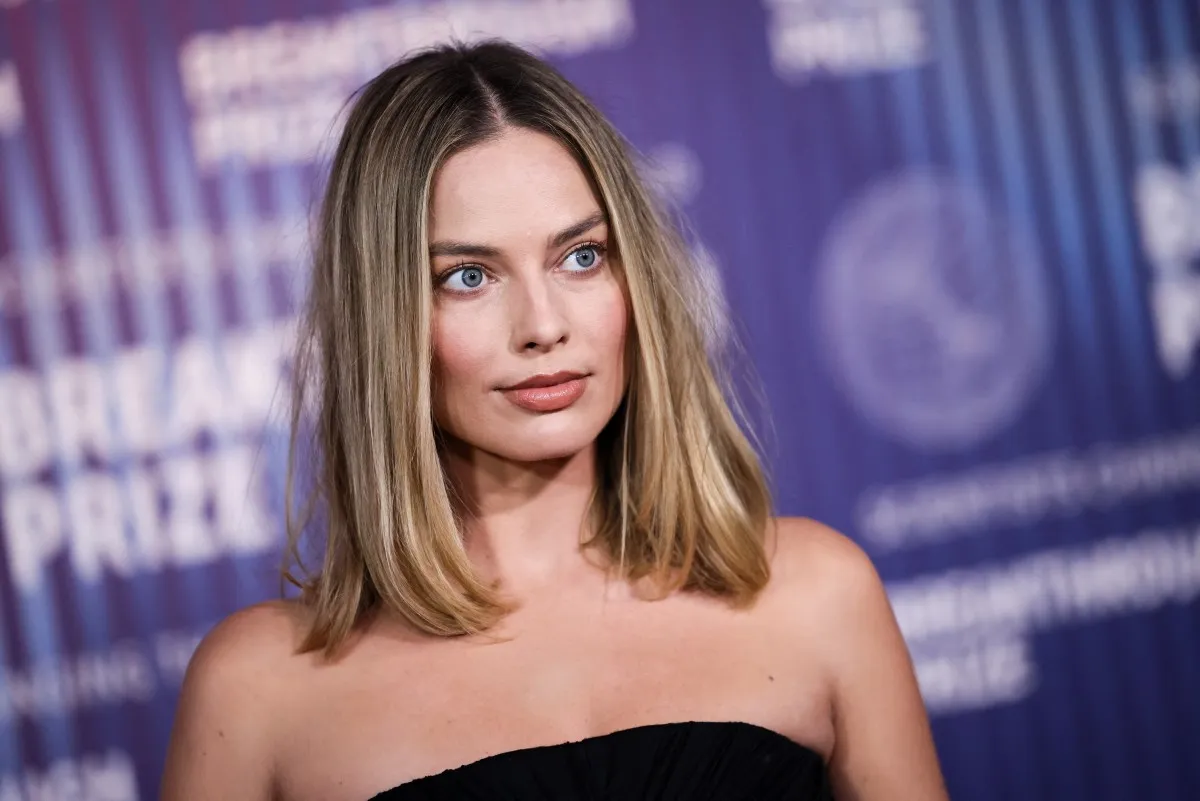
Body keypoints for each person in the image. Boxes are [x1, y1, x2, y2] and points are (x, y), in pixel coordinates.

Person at [160, 40, 949, 801]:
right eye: (468, 276)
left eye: (580, 257)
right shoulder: (258, 691)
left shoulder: (817, 595)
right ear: (383, 322)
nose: (543, 324)